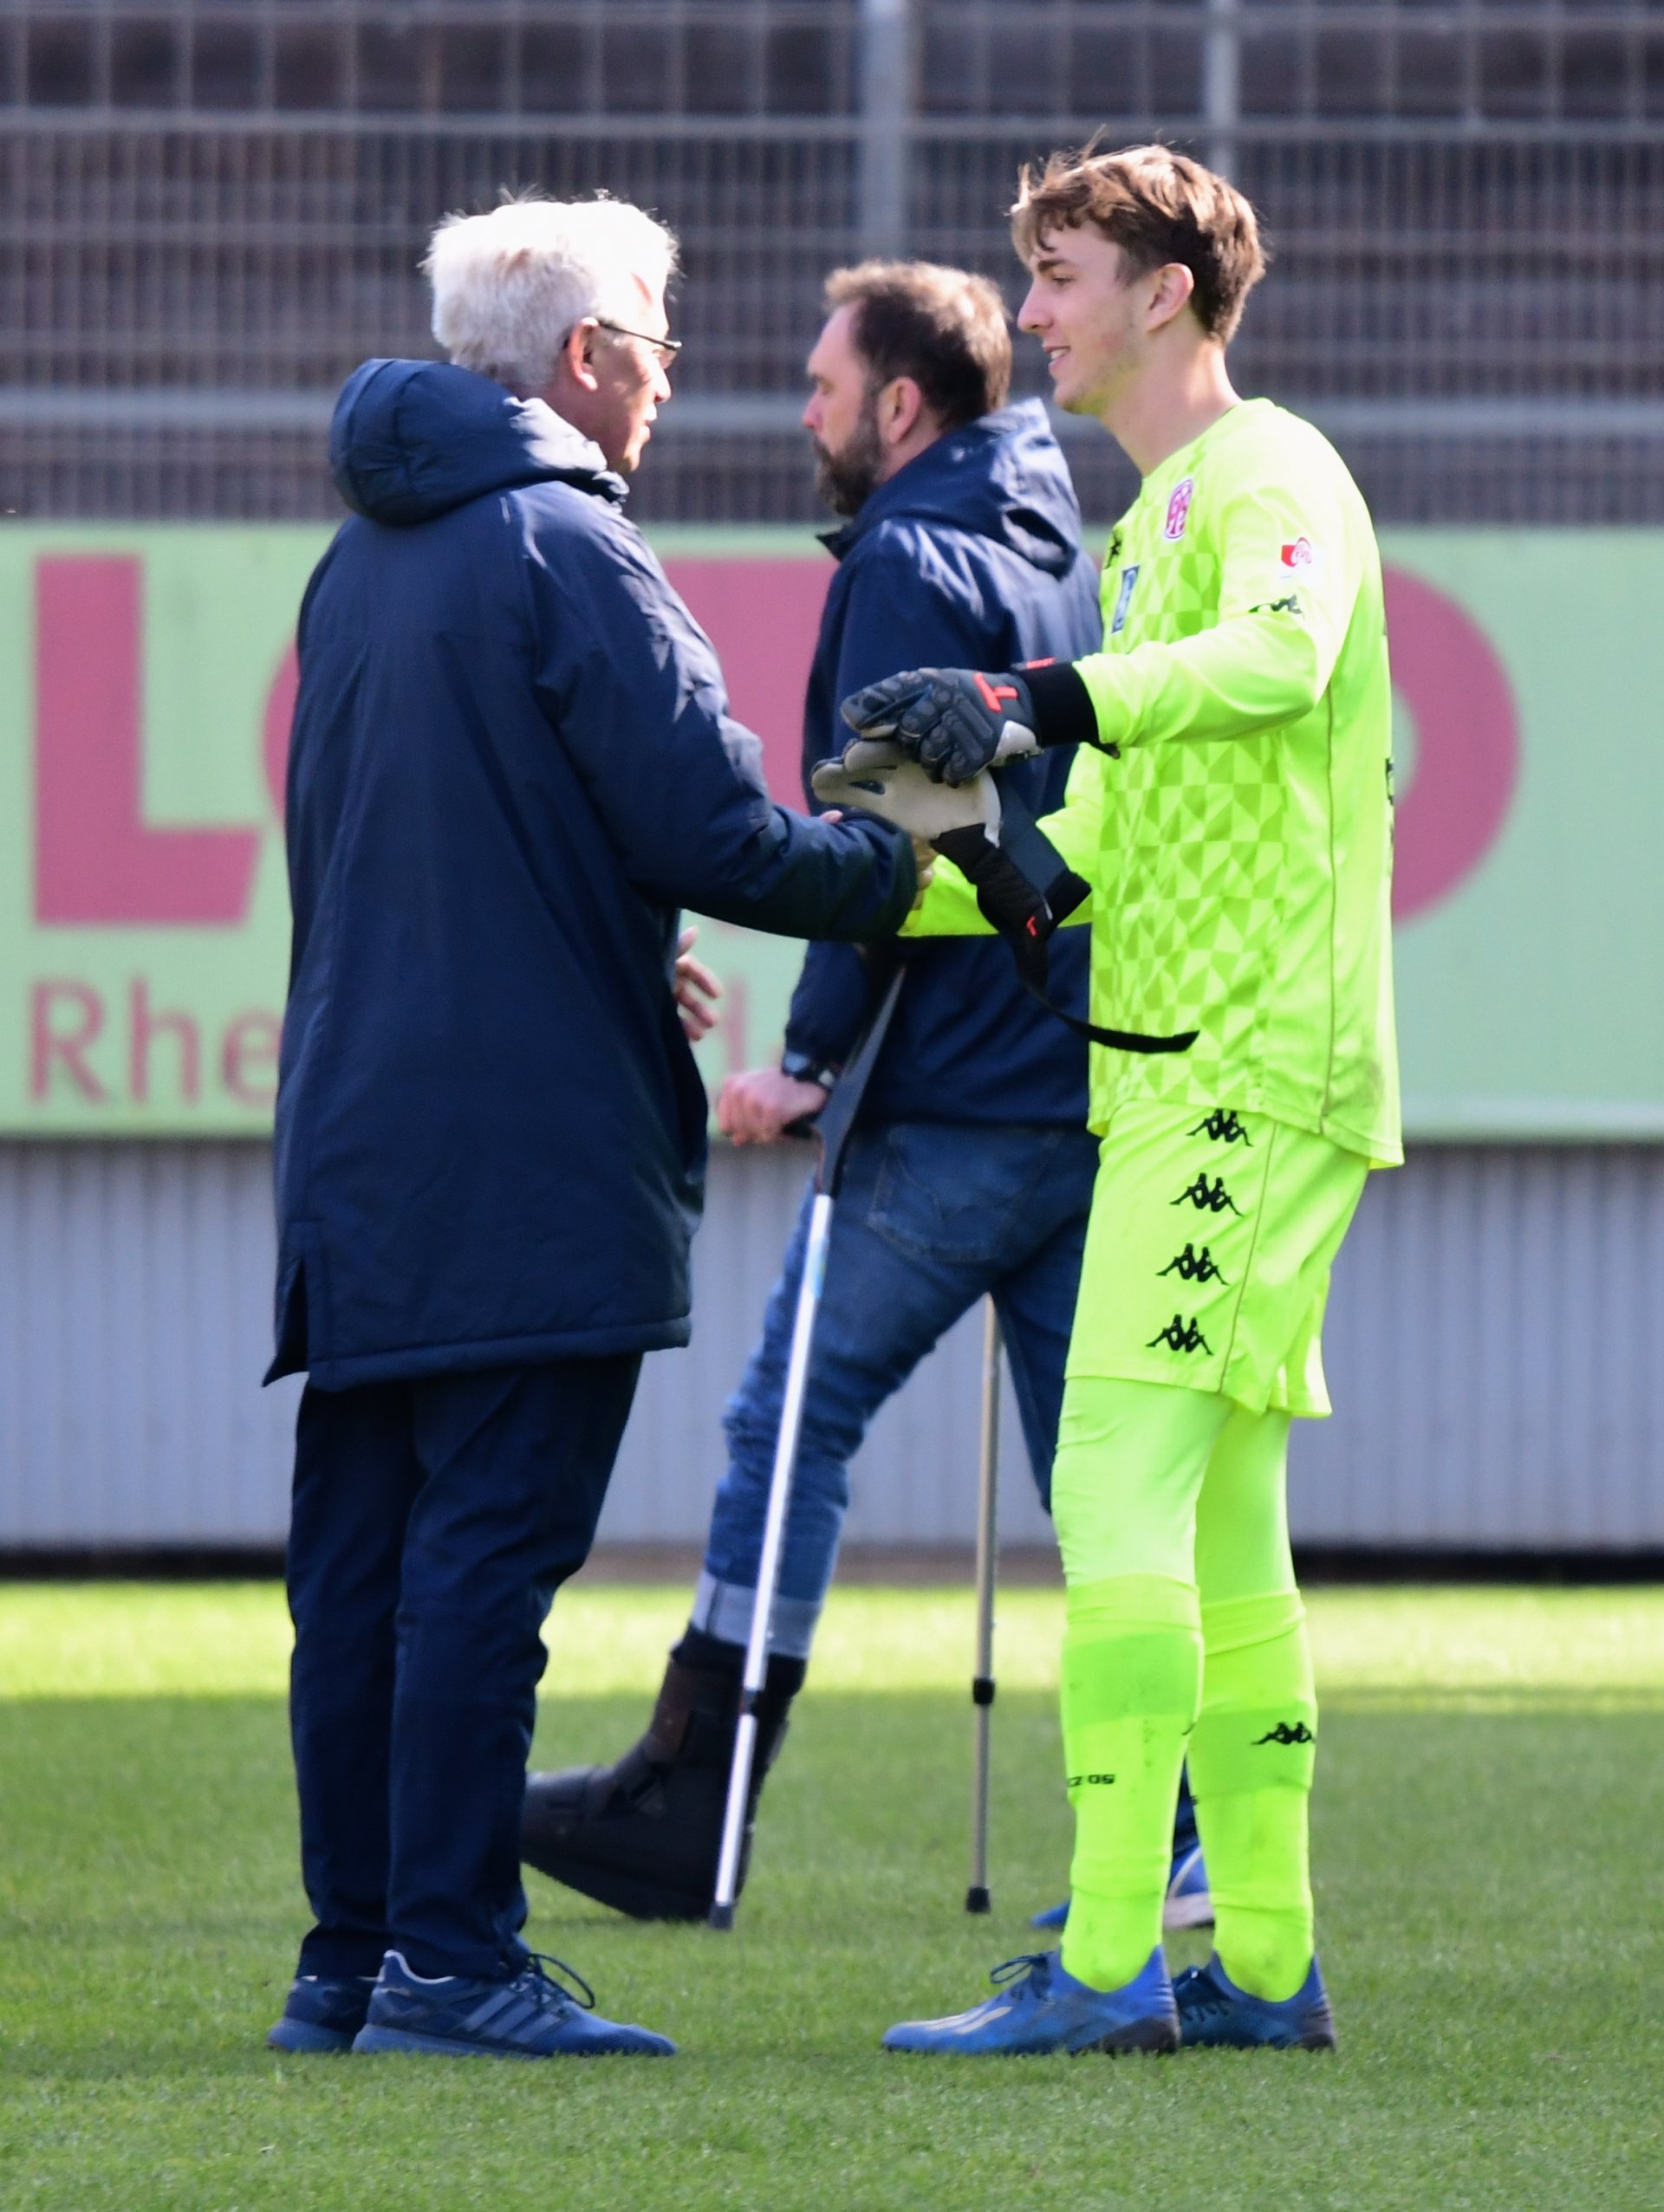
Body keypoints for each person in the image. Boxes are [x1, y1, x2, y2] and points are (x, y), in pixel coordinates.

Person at [263, 196, 920, 2063]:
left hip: (363, 1142)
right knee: (483, 1565)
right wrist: (922, 863)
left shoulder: (358, 562)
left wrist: (614, 955)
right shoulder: (570, 547)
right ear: (582, 360)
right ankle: (458, 1963)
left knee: (365, 1570)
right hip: (526, 1153)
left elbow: (442, 863)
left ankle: (358, 1953)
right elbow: (717, 830)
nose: (670, 378)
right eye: (657, 339)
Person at [520, 259, 1208, 1936]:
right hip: (1078, 1076)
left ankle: (698, 1795)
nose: (807, 413)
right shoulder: (1069, 547)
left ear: (903, 404)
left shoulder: (904, 555)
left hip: (951, 1092)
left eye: (826, 386)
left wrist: (806, 1059)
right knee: (1102, 1480)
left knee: (786, 1425)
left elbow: (882, 834)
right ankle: (1187, 1836)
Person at [843, 145, 1399, 2055]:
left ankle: (1098, 1965)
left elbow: (1284, 655)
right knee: (1225, 1522)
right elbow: (1103, 827)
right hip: (1183, 1074)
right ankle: (1259, 1959)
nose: (1037, 313)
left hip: (1241, 1076)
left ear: (1169, 290)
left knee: (1113, 1484)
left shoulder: (1268, 475)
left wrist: (1040, 698)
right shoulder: (1158, 515)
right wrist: (966, 858)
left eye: (1064, 274)